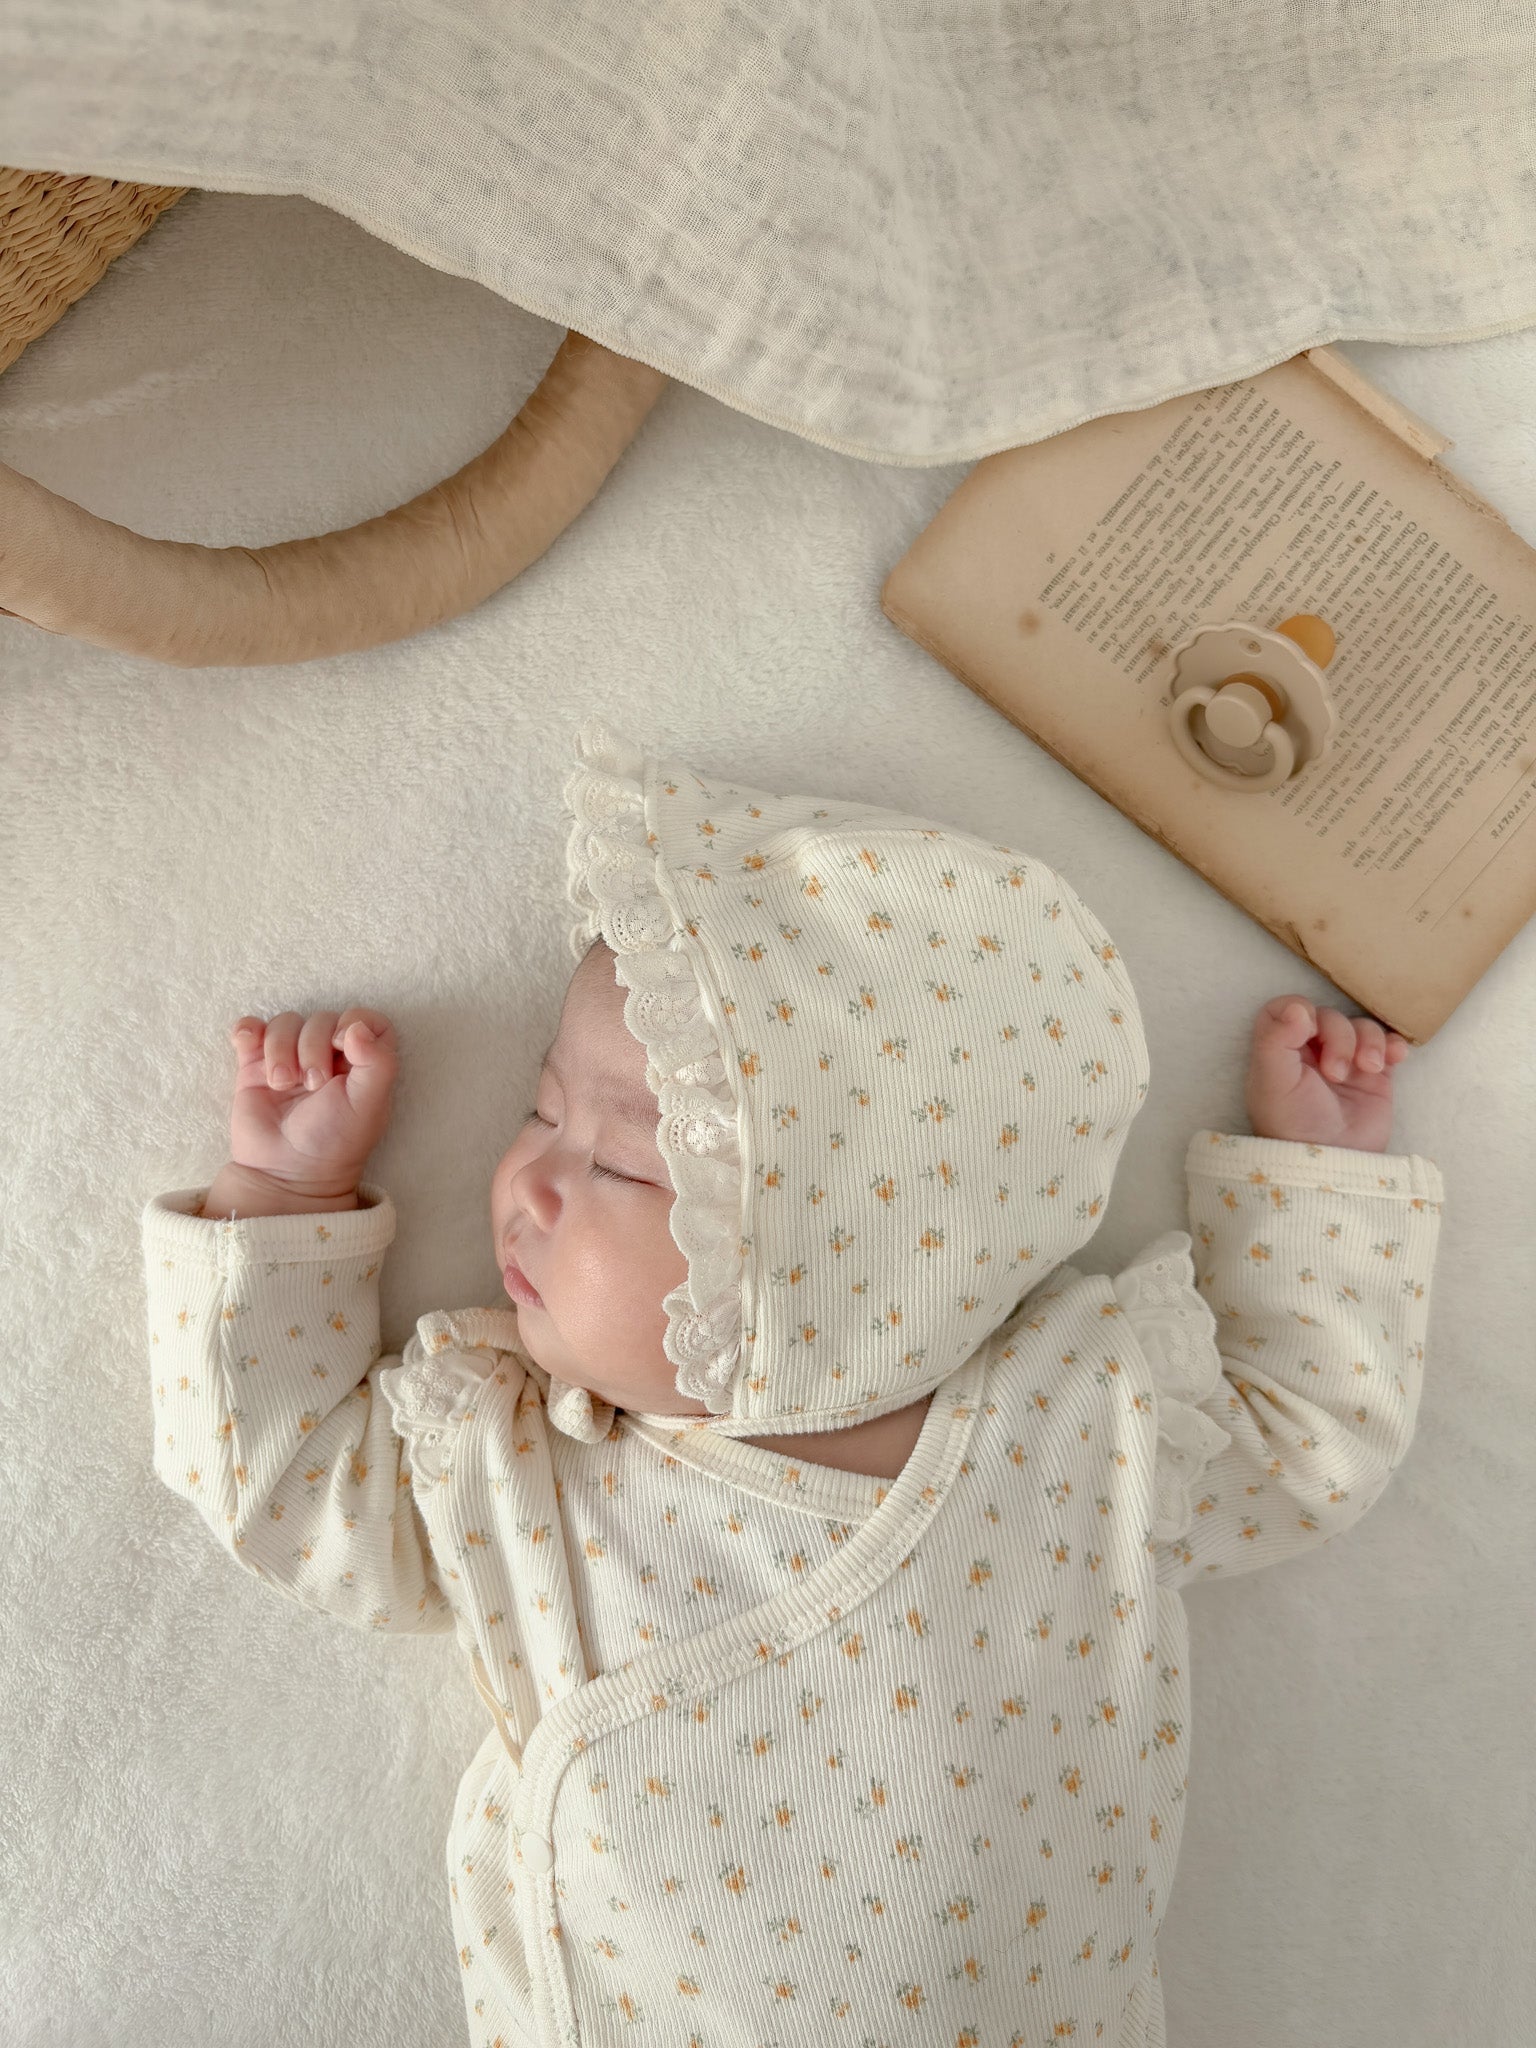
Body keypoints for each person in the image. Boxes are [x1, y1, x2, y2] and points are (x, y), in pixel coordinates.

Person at [141, 720, 1443, 2045]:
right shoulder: (532, 1457)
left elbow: (1309, 1435)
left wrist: (1312, 1182)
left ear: (842, 1258)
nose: (525, 1181)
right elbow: (284, 1482)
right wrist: (286, 1197)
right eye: (542, 1110)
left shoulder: (1081, 1418)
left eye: (630, 1166)